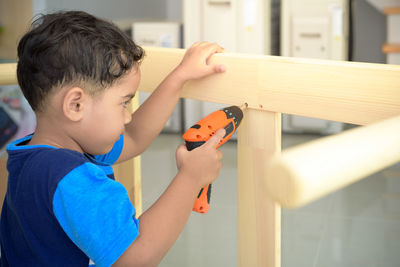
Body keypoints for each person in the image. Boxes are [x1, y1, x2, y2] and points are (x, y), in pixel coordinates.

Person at [0, 10, 226, 267]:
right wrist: (190, 177)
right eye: (124, 103)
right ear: (75, 105)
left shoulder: (35, 155)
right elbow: (134, 258)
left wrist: (179, 77)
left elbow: (134, 136)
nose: (128, 116)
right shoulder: (71, 178)